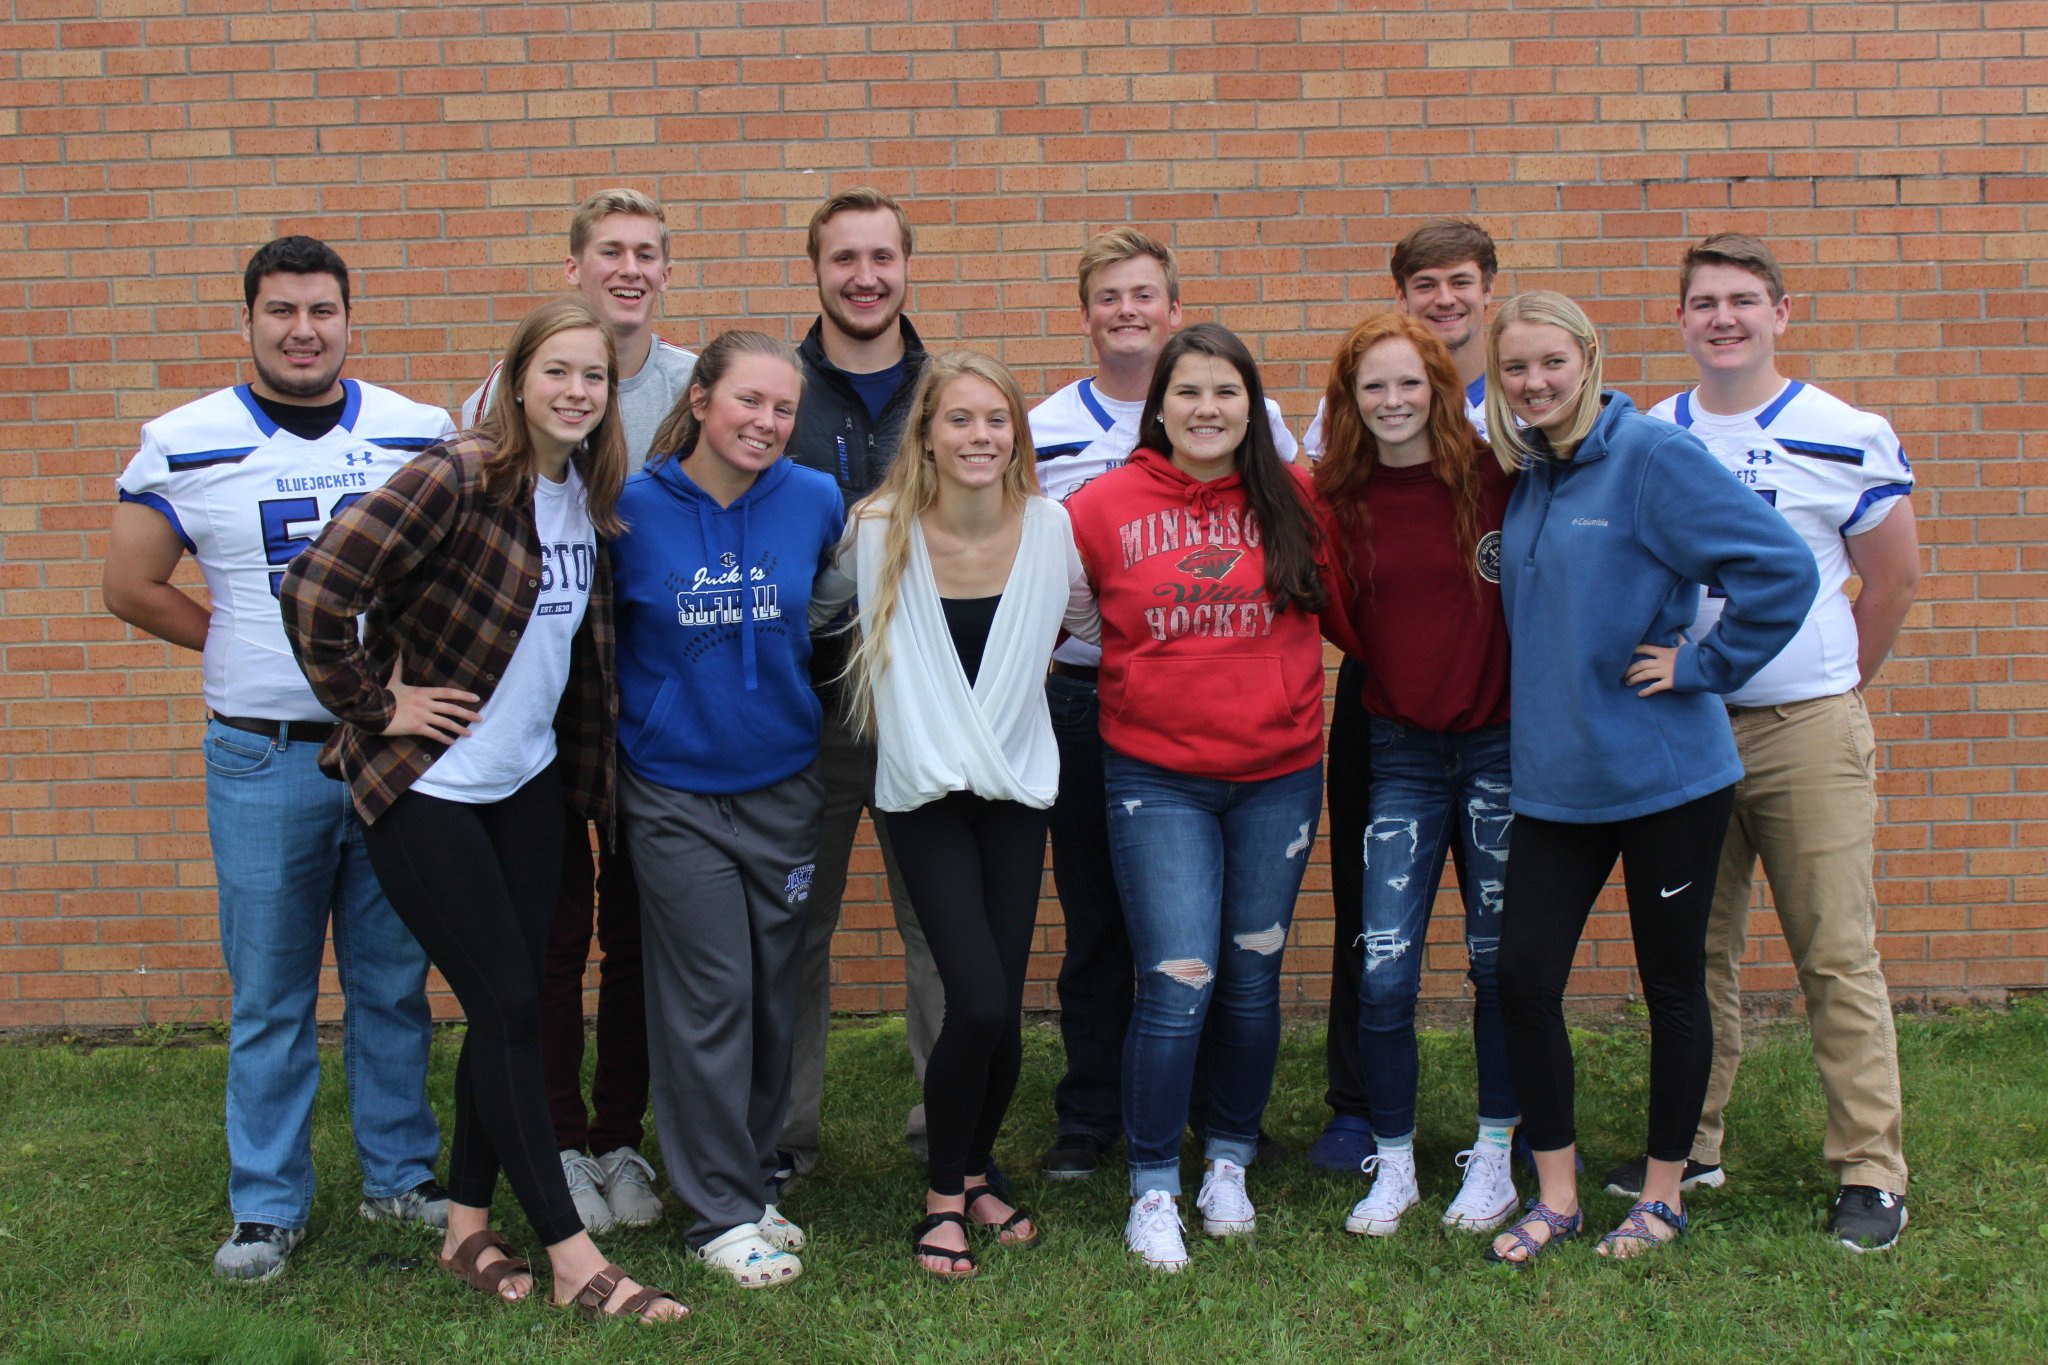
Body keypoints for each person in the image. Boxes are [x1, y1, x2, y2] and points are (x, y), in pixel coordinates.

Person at [279, 297, 685, 1322]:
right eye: (557, 371)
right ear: (516, 382)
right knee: (508, 1006)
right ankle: (570, 1253)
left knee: (506, 1007)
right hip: (431, 790)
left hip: (528, 789)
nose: (576, 391)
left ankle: (466, 1229)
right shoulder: (456, 475)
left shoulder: (586, 498)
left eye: (593, 377)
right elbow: (318, 586)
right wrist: (378, 705)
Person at [102, 236, 450, 1283]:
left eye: (322, 312)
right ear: (247, 320)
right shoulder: (183, 440)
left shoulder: (414, 430)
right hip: (265, 755)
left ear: (350, 320)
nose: (303, 330)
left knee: (392, 981)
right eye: (282, 311)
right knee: (271, 990)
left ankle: (400, 1177)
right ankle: (266, 1205)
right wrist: (246, 646)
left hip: (385, 753)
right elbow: (131, 584)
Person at [1481, 291, 1817, 1264]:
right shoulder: (1531, 474)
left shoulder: (1650, 458)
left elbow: (1778, 568)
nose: (1533, 381)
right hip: (1553, 781)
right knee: (1520, 977)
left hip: (1666, 777)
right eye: (1515, 368)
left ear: (1587, 358)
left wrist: (1700, 667)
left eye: (1550, 362)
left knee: (1671, 985)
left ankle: (1663, 1192)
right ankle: (1555, 1195)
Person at [1599, 234, 1918, 1253]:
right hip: (1686, 729)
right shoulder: (1650, 434)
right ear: (1680, 319)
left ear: (1782, 312)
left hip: (1802, 728)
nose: (1722, 317)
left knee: (1833, 950)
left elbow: (1890, 579)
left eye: (1742, 299)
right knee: (1693, 952)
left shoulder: (1842, 431)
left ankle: (1869, 1166)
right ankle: (1689, 1143)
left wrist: (1831, 687)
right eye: (1702, 302)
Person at [1066, 324, 1360, 1272]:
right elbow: (1066, 621)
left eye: (1225, 392)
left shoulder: (1297, 498)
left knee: (1250, 976)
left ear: (1251, 404)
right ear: (1159, 407)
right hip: (1156, 776)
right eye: (1187, 392)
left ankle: (1227, 1160)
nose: (1206, 409)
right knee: (1175, 979)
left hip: (1276, 775)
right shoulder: (1103, 506)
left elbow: (1353, 610)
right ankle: (1153, 1183)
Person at [812, 351, 1098, 1278]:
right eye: (960, 420)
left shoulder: (1053, 531)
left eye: (996, 421)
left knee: (1001, 1012)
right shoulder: (879, 531)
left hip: (1016, 792)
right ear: (926, 434)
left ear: (1016, 433)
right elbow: (805, 617)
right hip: (925, 795)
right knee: (972, 997)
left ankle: (976, 1171)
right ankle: (941, 1198)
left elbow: (1095, 623)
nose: (980, 437)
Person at [1028, 227, 1300, 1181]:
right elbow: (1038, 574)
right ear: (1088, 312)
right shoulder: (1047, 429)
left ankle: (1224, 1128)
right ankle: (1094, 1115)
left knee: (1225, 940)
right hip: (1090, 696)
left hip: (1239, 723)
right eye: (1109, 296)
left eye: (1145, 294)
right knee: (1107, 923)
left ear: (1174, 308)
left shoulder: (1267, 450)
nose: (1128, 310)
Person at [465, 188, 699, 1233]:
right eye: (609, 251)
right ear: (575, 267)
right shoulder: (513, 388)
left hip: (664, 712)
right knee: (553, 940)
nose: (629, 268)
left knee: (641, 940)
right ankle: (558, 1139)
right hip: (552, 721)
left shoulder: (698, 388)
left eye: (647, 252)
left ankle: (622, 1139)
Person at [609, 331, 844, 1287]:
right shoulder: (628, 509)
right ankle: (714, 1212)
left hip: (786, 783)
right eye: (749, 401)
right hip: (674, 792)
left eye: (784, 409)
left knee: (772, 992)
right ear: (701, 399)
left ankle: (749, 1183)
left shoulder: (817, 500)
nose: (767, 423)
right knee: (710, 996)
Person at [1310, 314, 1520, 1237]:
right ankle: (1391, 1162)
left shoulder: (1497, 478)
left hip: (1499, 749)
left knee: (1497, 964)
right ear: (1349, 404)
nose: (1394, 403)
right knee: (1386, 967)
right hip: (1398, 748)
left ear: (1441, 387)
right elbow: (1340, 616)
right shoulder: (1337, 495)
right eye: (1373, 389)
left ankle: (1497, 1156)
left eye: (1411, 384)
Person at [780, 187, 945, 1183]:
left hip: (928, 704)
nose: (865, 277)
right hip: (806, 707)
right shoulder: (774, 390)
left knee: (937, 929)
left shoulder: (947, 388)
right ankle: (781, 1142)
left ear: (905, 265)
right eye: (844, 258)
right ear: (816, 268)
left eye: (881, 257)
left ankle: (947, 1141)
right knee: (796, 928)